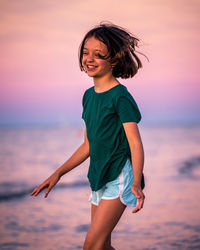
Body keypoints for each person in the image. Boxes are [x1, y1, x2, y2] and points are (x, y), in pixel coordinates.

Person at [31, 22, 146, 250]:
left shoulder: (120, 96)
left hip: (120, 177)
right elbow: (88, 145)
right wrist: (58, 173)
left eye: (98, 54)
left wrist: (136, 182)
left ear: (113, 59)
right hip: (98, 178)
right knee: (101, 247)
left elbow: (135, 142)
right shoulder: (88, 96)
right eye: (85, 53)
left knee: (91, 247)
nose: (89, 59)